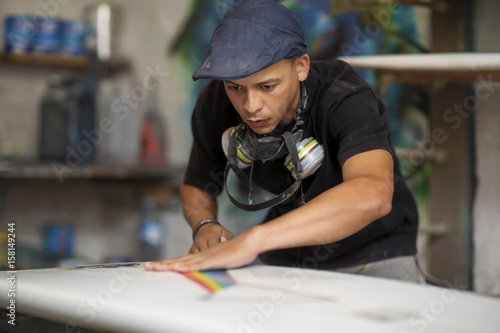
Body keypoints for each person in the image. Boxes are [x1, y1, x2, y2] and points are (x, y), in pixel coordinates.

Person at [145, 0, 422, 283]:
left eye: (267, 86)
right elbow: (198, 183)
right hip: (287, 253)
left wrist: (253, 240)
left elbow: (373, 195)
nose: (251, 106)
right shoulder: (216, 101)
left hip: (375, 252)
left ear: (301, 67)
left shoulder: (345, 97)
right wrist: (204, 225)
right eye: (236, 88)